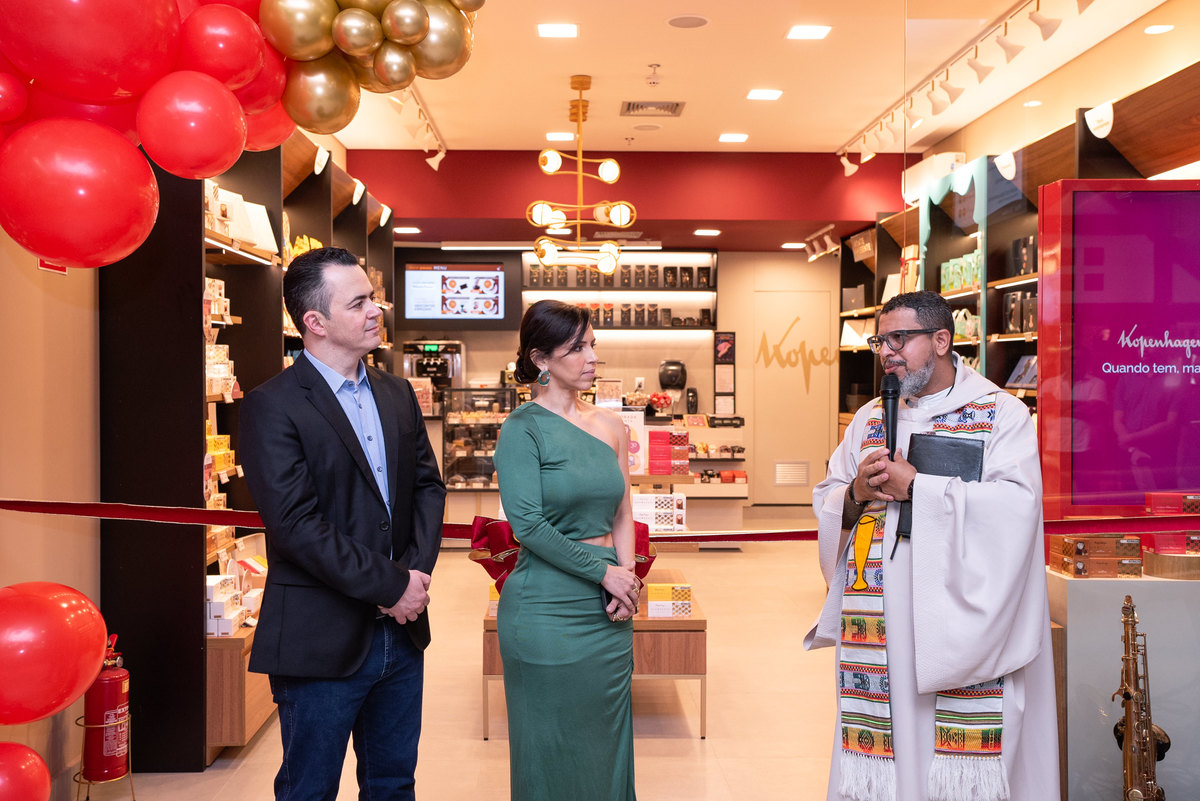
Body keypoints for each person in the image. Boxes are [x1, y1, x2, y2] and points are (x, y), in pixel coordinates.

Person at [805, 291, 1059, 801]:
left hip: (958, 619)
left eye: (900, 338)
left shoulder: (1001, 414)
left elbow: (1017, 509)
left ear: (942, 340)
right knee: (891, 742)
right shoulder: (870, 418)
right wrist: (856, 492)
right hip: (877, 621)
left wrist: (917, 488)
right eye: (881, 340)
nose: (886, 352)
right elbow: (830, 498)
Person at [239, 247, 446, 801]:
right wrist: (392, 586)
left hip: (402, 633)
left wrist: (414, 577)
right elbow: (295, 524)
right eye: (358, 303)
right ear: (315, 321)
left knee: (393, 785)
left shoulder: (396, 392)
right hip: (320, 637)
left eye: (372, 298)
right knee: (310, 789)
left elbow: (428, 488)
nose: (375, 310)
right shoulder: (272, 405)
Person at [493, 299, 642, 801]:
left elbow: (622, 512)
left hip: (608, 609)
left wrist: (626, 577)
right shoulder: (521, 429)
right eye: (577, 348)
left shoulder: (612, 426)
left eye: (593, 345)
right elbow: (528, 527)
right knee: (549, 746)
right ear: (540, 359)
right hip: (545, 608)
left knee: (606, 739)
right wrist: (604, 574)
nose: (592, 357)